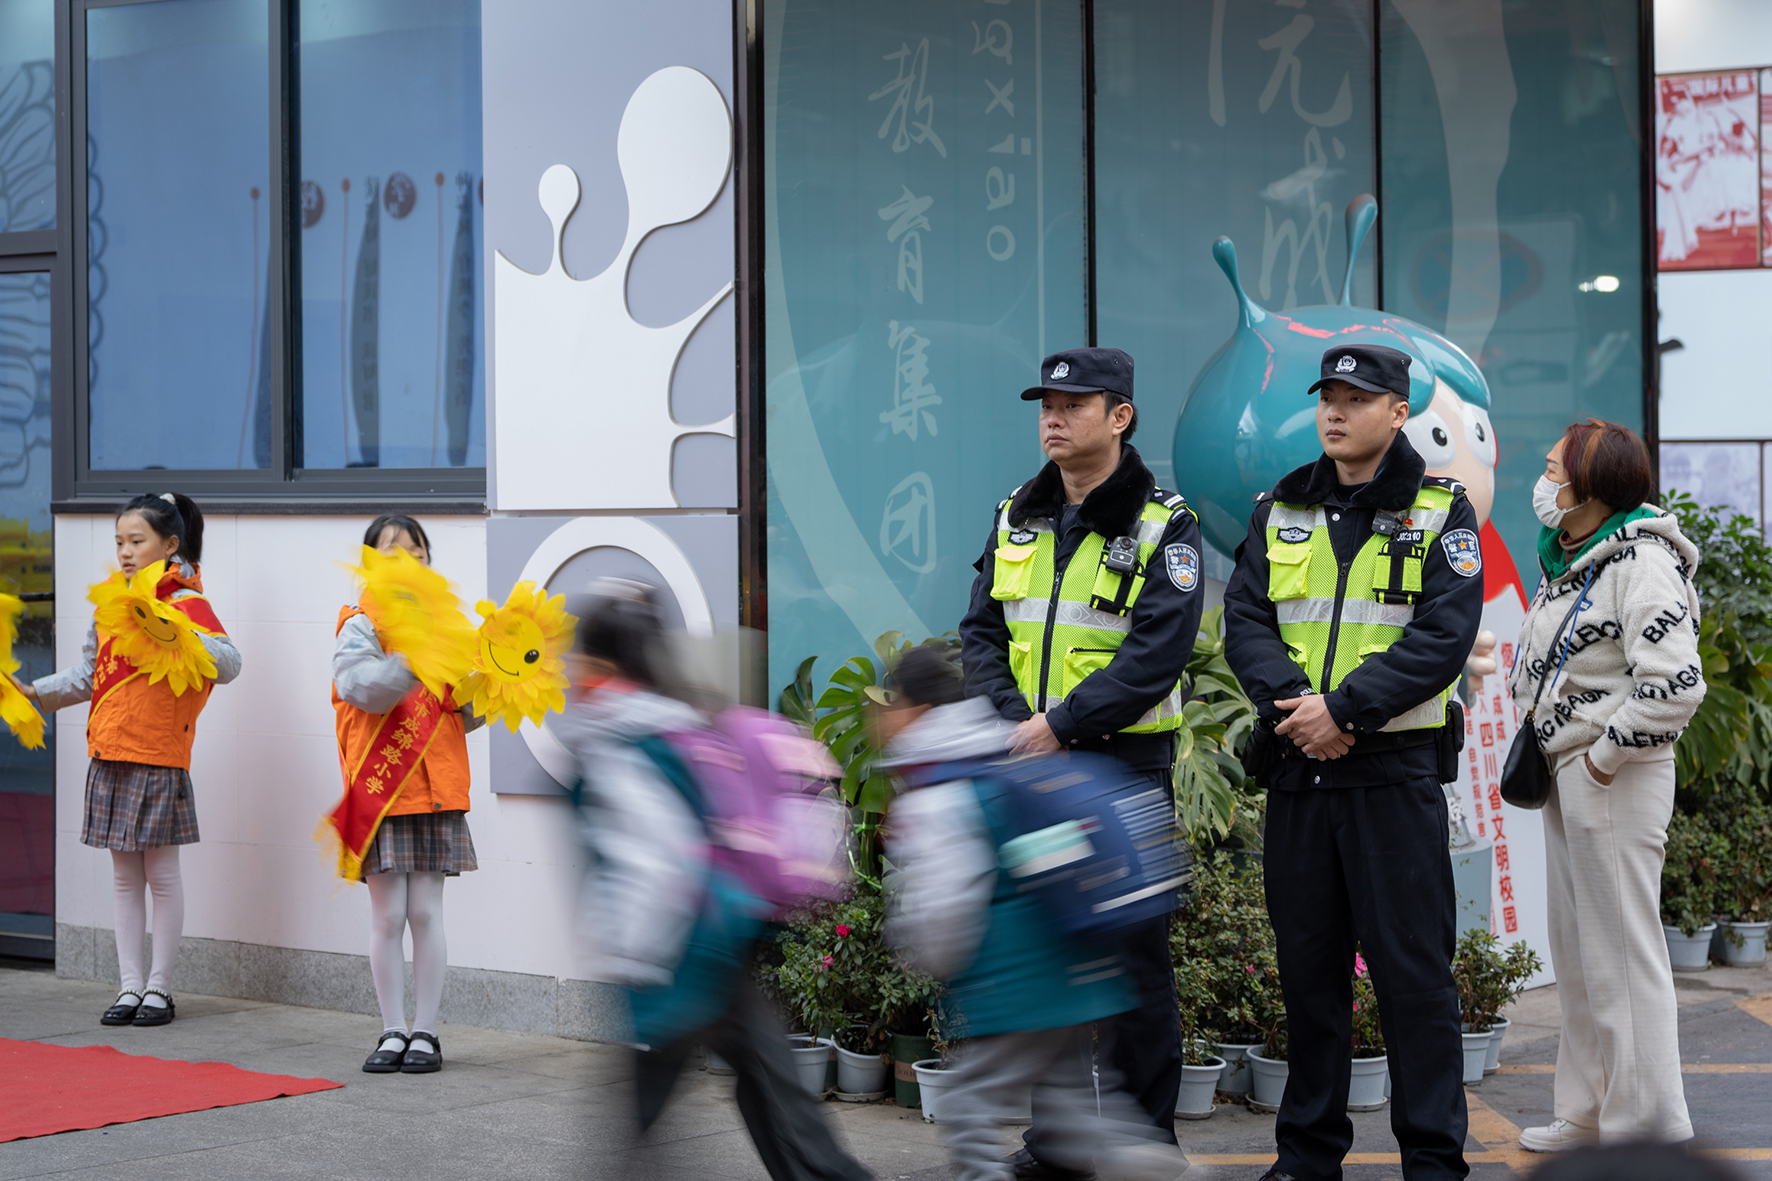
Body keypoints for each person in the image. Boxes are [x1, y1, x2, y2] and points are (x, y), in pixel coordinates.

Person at [1222, 344, 1481, 1181]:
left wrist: (1344, 709)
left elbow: (1443, 636)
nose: (1336, 411)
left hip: (1392, 777)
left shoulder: (1440, 511)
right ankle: (1306, 1154)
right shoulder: (1280, 508)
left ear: (1398, 413)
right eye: (1328, 396)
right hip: (1300, 770)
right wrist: (1301, 707)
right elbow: (1245, 619)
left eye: (1357, 398)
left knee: (1414, 981)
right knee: (1309, 977)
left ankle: (1434, 1161)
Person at [958, 346, 1202, 1179]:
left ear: (1120, 416)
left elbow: (1156, 653)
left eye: (1074, 405)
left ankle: (1147, 1144)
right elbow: (981, 632)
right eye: (1047, 406)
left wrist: (1061, 723)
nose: (1054, 418)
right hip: (1031, 767)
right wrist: (1015, 722)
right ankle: (1056, 1144)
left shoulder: (1164, 524)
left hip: (1121, 767)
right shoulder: (1016, 513)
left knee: (1135, 959)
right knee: (1047, 951)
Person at [555, 582, 873, 1181]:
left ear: (601, 665)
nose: (570, 669)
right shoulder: (672, 727)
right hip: (715, 933)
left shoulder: (623, 740)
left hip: (679, 949)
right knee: (767, 1083)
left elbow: (654, 859)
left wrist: (641, 961)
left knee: (671, 1106)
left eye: (578, 656)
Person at [880, 646, 1189, 1181]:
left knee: (965, 1102)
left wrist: (934, 959)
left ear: (916, 710)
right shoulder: (1002, 753)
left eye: (893, 703)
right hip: (1071, 972)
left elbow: (947, 901)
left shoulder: (939, 785)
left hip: (1014, 986)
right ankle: (1154, 1167)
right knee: (1071, 1113)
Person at [1506, 420, 1704, 1151]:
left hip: (1613, 774)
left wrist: (1602, 758)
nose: (1543, 480)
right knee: (1581, 955)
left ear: (1590, 486)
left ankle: (1647, 1132)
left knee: (1623, 955)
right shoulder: (1572, 554)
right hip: (1572, 770)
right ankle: (1588, 1113)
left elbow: (1676, 684)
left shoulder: (1641, 561)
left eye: (1553, 468)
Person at [10, 493, 241, 1027]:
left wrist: (176, 630)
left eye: (137, 541)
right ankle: (129, 986)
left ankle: (160, 989)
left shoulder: (186, 602)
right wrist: (35, 692)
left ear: (170, 544)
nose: (126, 552)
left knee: (161, 874)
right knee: (123, 877)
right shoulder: (111, 604)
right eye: (120, 542)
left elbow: (229, 663)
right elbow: (89, 675)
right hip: (110, 751)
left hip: (158, 754)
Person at [328, 514, 482, 1074]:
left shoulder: (449, 626)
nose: (408, 561)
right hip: (383, 796)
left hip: (437, 789)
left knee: (425, 911)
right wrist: (410, 658)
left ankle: (427, 1033)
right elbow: (358, 687)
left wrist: (496, 677)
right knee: (388, 915)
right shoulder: (359, 621)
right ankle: (392, 1029)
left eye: (417, 552)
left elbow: (469, 713)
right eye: (392, 551)